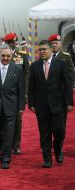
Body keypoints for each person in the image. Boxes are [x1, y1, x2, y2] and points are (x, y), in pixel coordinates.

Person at [28, 40, 74, 168]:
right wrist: (31, 103)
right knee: (44, 133)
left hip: (58, 105)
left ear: (50, 50)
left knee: (59, 132)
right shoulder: (35, 66)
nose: (42, 51)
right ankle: (47, 158)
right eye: (40, 49)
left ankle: (58, 150)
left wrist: (69, 102)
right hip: (41, 106)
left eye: (44, 49)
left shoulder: (61, 64)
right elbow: (31, 86)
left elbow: (67, 84)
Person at [4, 32, 30, 155]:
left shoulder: (22, 56)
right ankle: (5, 144)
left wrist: (25, 93)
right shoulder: (1, 55)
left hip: (17, 93)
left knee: (17, 119)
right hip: (4, 93)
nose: (11, 44)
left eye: (13, 42)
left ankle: (16, 145)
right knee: (4, 119)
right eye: (9, 43)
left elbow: (26, 75)